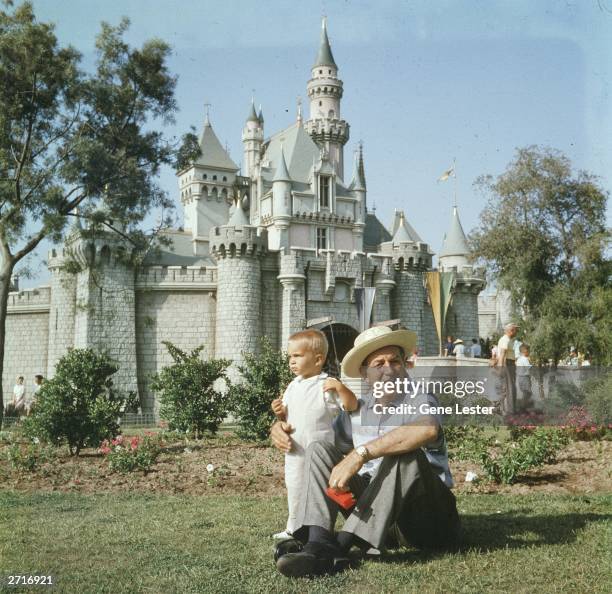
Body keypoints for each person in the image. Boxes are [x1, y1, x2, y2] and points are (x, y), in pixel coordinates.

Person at [270, 326, 459, 578]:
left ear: (405, 366)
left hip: (426, 519)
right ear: (364, 373)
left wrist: (360, 454)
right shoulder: (358, 410)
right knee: (319, 448)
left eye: (395, 361)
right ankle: (318, 540)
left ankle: (341, 545)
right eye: (378, 363)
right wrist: (280, 428)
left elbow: (426, 430)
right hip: (380, 521)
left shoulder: (419, 397)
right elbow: (318, 441)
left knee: (406, 454)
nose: (388, 369)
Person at [270, 329, 358, 538]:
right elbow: (288, 419)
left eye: (298, 356)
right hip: (295, 450)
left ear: (318, 359)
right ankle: (293, 527)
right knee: (295, 488)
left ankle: (320, 528)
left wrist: (341, 388)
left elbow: (351, 405)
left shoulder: (326, 385)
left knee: (320, 491)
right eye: (290, 356)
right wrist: (280, 413)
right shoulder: (293, 386)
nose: (292, 361)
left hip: (319, 452)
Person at [494, 323, 518, 414]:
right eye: (516, 330)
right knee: (509, 387)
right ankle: (507, 411)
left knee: (507, 387)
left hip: (509, 363)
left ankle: (502, 409)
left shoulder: (508, 340)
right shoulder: (505, 340)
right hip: (507, 364)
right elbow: (502, 355)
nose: (517, 332)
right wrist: (501, 367)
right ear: (511, 330)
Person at [516, 344, 533, 410]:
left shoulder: (519, 359)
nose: (529, 352)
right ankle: (523, 406)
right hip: (525, 377)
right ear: (525, 351)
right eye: (529, 351)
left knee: (525, 392)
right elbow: (529, 368)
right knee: (528, 392)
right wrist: (530, 361)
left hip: (520, 377)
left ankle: (524, 405)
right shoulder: (525, 359)